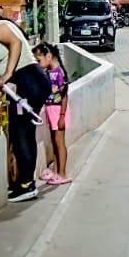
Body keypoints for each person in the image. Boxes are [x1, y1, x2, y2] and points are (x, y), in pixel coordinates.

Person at [0, 9, 50, 203]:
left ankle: (27, 185)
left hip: (30, 81)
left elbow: (15, 45)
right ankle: (24, 182)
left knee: (22, 132)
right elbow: (9, 75)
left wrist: (7, 73)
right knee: (20, 132)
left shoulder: (0, 27)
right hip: (26, 82)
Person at [34, 42, 71, 185]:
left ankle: (62, 173)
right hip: (51, 109)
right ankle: (56, 170)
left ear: (49, 56)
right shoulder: (49, 72)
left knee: (60, 142)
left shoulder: (59, 73)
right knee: (54, 142)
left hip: (58, 110)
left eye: (39, 60)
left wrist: (62, 115)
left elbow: (64, 96)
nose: (38, 63)